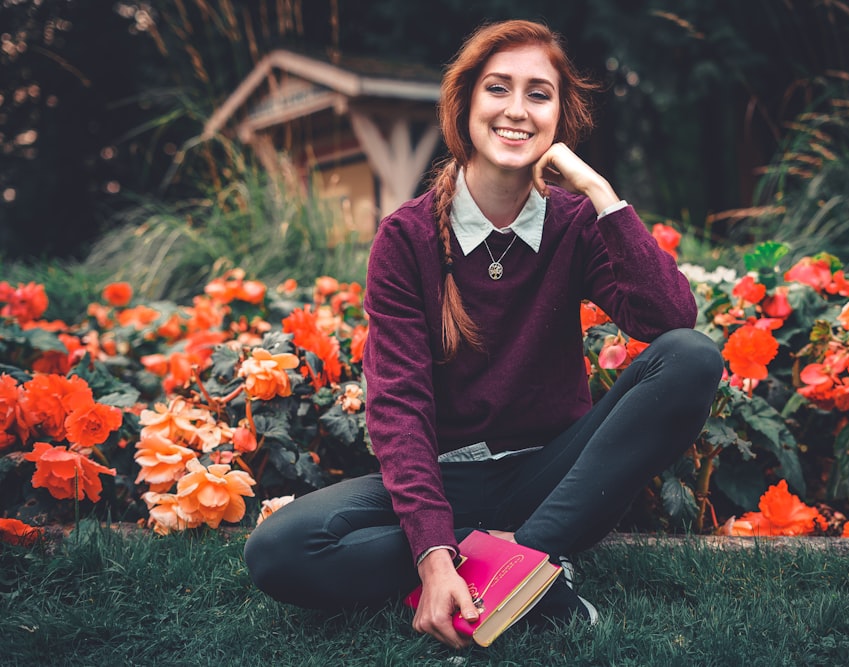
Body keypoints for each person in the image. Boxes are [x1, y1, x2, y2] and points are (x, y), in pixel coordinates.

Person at [243, 19, 723, 650]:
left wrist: (602, 194)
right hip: (447, 479)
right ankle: (502, 568)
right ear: (465, 104)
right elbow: (398, 406)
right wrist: (433, 552)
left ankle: (526, 560)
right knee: (280, 549)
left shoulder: (576, 221)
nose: (516, 110)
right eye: (498, 89)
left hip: (554, 477)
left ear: (559, 117)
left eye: (538, 94)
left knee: (690, 357)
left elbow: (667, 319)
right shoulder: (405, 238)